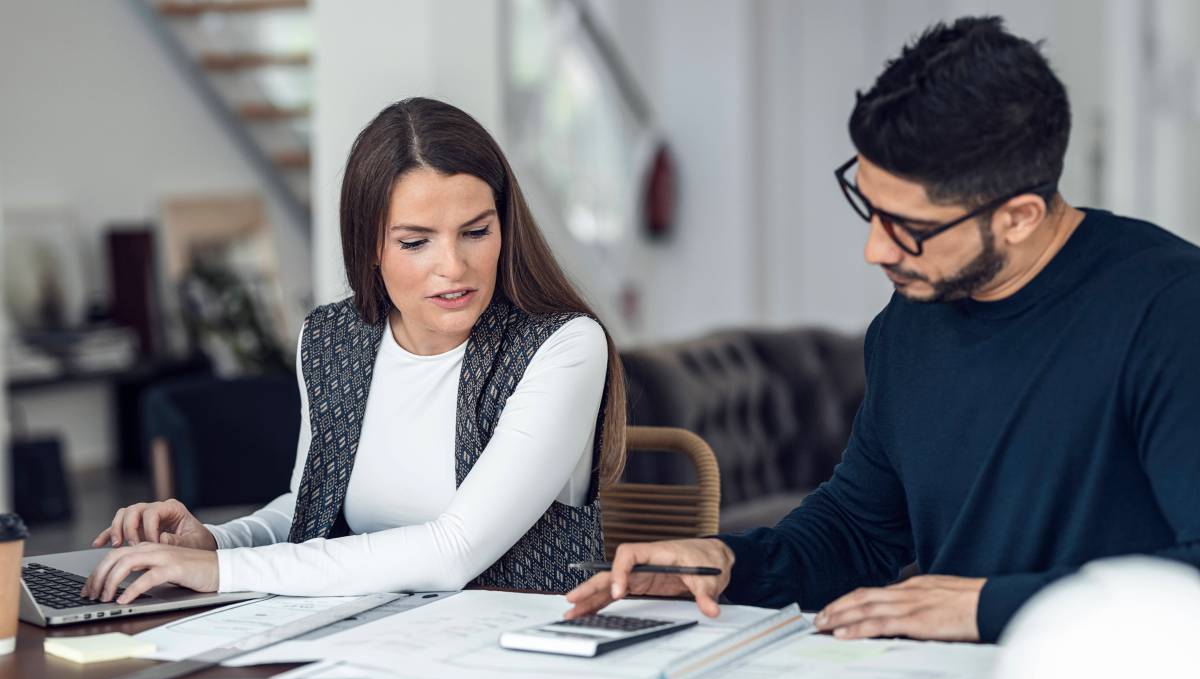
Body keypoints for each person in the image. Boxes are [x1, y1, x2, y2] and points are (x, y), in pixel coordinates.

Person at [567, 16, 1200, 644]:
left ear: (1019, 217)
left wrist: (985, 607)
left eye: (909, 227)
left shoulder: (1172, 312)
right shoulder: (911, 323)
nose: (875, 249)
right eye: (869, 208)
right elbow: (857, 530)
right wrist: (731, 564)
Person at [82, 97, 626, 604]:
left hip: (521, 655)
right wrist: (216, 545)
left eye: (476, 232)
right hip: (367, 643)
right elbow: (309, 506)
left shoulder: (562, 346)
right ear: (369, 247)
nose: (453, 267)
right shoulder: (331, 340)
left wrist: (223, 575)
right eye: (416, 242)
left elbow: (453, 551)